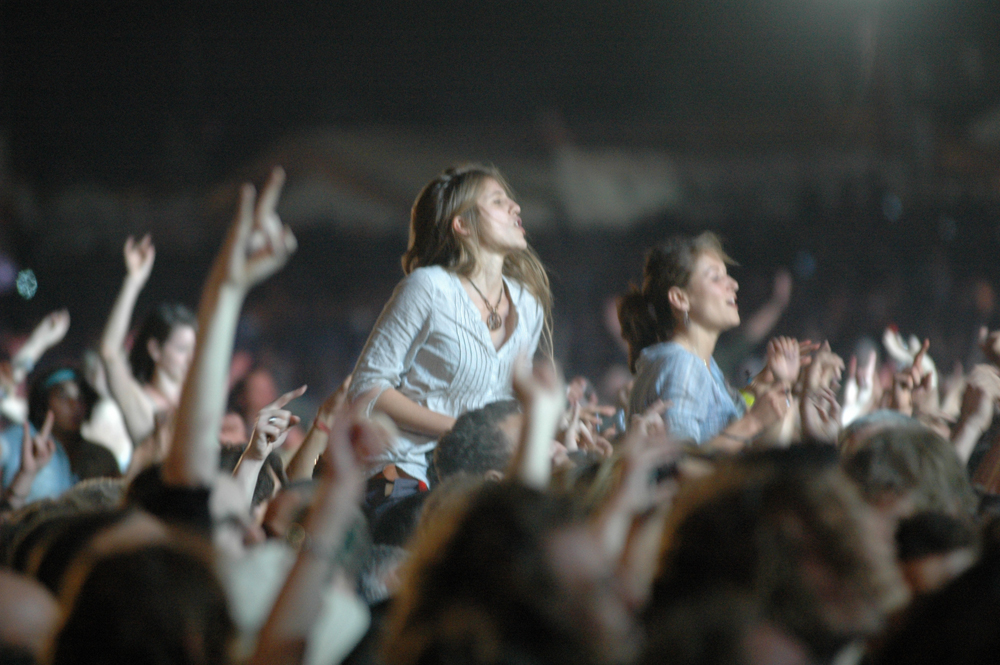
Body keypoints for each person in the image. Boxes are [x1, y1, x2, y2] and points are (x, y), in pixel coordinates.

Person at [349, 164, 552, 495]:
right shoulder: (429, 288)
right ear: (462, 224)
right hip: (408, 471)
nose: (516, 207)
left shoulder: (529, 304)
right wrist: (460, 430)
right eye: (499, 201)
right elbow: (367, 387)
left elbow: (511, 400)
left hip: (479, 477)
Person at [617, 232, 791, 452]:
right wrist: (753, 423)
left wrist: (766, 383)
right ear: (681, 299)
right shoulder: (683, 365)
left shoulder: (698, 364)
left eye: (727, 275)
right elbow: (680, 463)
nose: (734, 284)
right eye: (715, 277)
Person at [99, 234, 197, 446]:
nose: (191, 359)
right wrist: (133, 281)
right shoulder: (142, 403)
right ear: (155, 349)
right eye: (182, 349)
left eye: (194, 350)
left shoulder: (197, 402)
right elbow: (110, 353)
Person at [1, 366, 120, 509]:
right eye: (63, 396)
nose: (74, 405)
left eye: (80, 399)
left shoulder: (101, 456)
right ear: (43, 402)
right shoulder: (21, 438)